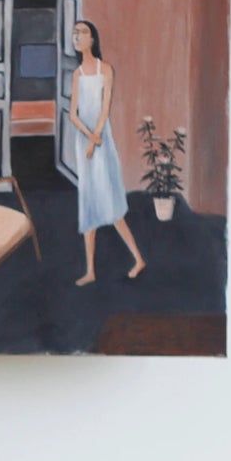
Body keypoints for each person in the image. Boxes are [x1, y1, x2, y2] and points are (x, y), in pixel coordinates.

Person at [65, 20, 146, 284]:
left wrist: (95, 139)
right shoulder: (77, 75)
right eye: (75, 33)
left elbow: (104, 109)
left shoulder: (106, 69)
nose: (77, 36)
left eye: (82, 32)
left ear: (92, 39)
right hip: (85, 141)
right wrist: (88, 138)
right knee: (88, 200)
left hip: (102, 142)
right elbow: (73, 114)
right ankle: (90, 270)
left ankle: (138, 258)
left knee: (109, 200)